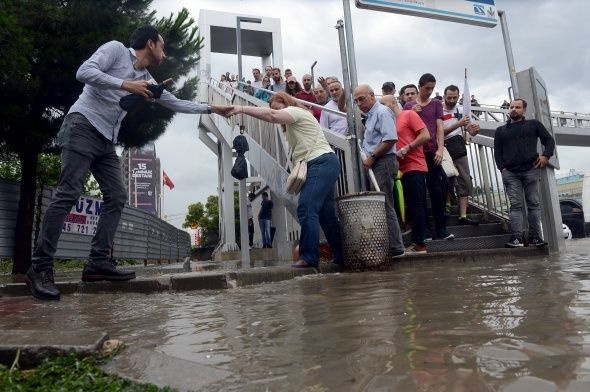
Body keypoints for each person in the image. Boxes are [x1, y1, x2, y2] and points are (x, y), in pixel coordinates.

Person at [24, 25, 231, 301]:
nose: (165, 53)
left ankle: (97, 263)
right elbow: (83, 72)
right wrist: (125, 84)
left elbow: (177, 103)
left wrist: (211, 108)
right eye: (162, 46)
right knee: (68, 192)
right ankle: (39, 267)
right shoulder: (115, 50)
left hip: (106, 141)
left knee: (117, 196)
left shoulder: (147, 79)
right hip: (82, 125)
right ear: (150, 43)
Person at [226, 92, 343, 268]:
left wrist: (241, 108)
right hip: (321, 163)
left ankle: (309, 257)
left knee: (306, 207)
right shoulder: (293, 122)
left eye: (278, 108)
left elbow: (272, 116)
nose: (276, 112)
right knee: (326, 215)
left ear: (286, 103)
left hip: (321, 161)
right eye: (273, 108)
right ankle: (341, 256)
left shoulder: (295, 111)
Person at [494, 98, 555, 248]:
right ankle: (517, 238)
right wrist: (502, 168)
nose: (514, 109)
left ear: (524, 110)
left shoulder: (533, 125)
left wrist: (546, 155)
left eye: (518, 107)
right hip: (511, 173)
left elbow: (549, 140)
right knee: (515, 206)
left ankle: (535, 237)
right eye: (511, 107)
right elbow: (498, 153)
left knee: (533, 204)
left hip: (531, 170)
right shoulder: (501, 131)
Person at [354, 84, 405, 258]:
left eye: (362, 99)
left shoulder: (382, 112)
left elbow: (390, 138)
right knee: (381, 203)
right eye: (357, 101)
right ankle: (392, 245)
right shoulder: (370, 116)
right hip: (377, 161)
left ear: (372, 96)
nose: (360, 103)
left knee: (385, 204)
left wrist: (372, 157)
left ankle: (396, 247)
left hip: (383, 161)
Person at [404, 73, 454, 241]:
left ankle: (442, 228)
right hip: (416, 153)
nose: (430, 92)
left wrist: (440, 149)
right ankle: (424, 230)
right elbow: (405, 127)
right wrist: (411, 112)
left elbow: (440, 127)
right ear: (420, 87)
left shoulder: (435, 104)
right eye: (427, 88)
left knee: (436, 190)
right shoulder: (409, 105)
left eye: (432, 88)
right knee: (418, 193)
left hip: (433, 151)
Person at [382, 95, 431, 253]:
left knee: (417, 205)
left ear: (394, 102)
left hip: (415, 165)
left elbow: (426, 135)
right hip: (401, 170)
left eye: (384, 104)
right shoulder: (390, 122)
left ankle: (420, 244)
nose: (382, 108)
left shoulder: (409, 114)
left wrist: (407, 148)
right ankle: (416, 241)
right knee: (410, 206)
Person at [442, 85, 480, 225]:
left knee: (465, 180)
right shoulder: (438, 109)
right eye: (449, 97)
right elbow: (438, 132)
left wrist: (474, 130)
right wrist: (458, 124)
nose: (452, 100)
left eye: (454, 97)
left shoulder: (462, 110)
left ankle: (463, 215)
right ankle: (446, 204)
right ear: (445, 96)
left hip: (458, 145)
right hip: (443, 145)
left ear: (458, 97)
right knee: (446, 178)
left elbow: (470, 131)